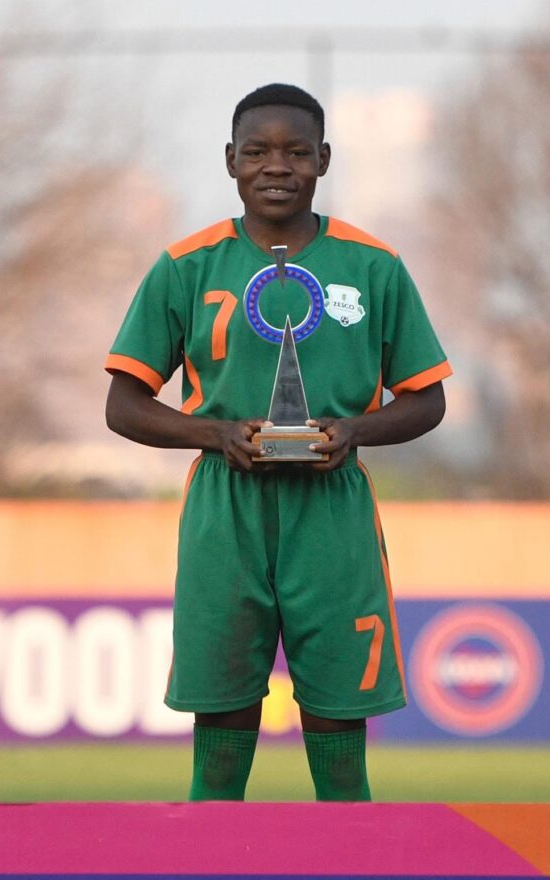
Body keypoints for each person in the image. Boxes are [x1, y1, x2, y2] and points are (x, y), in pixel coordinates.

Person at [105, 83, 451, 801]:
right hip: (224, 505)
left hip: (332, 506)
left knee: (338, 708)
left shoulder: (373, 265)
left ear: (323, 159)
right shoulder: (186, 265)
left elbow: (427, 399)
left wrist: (353, 431)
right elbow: (123, 405)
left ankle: (346, 845)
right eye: (257, 151)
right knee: (222, 700)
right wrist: (214, 433)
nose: (276, 166)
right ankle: (212, 843)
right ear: (230, 159)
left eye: (295, 152)